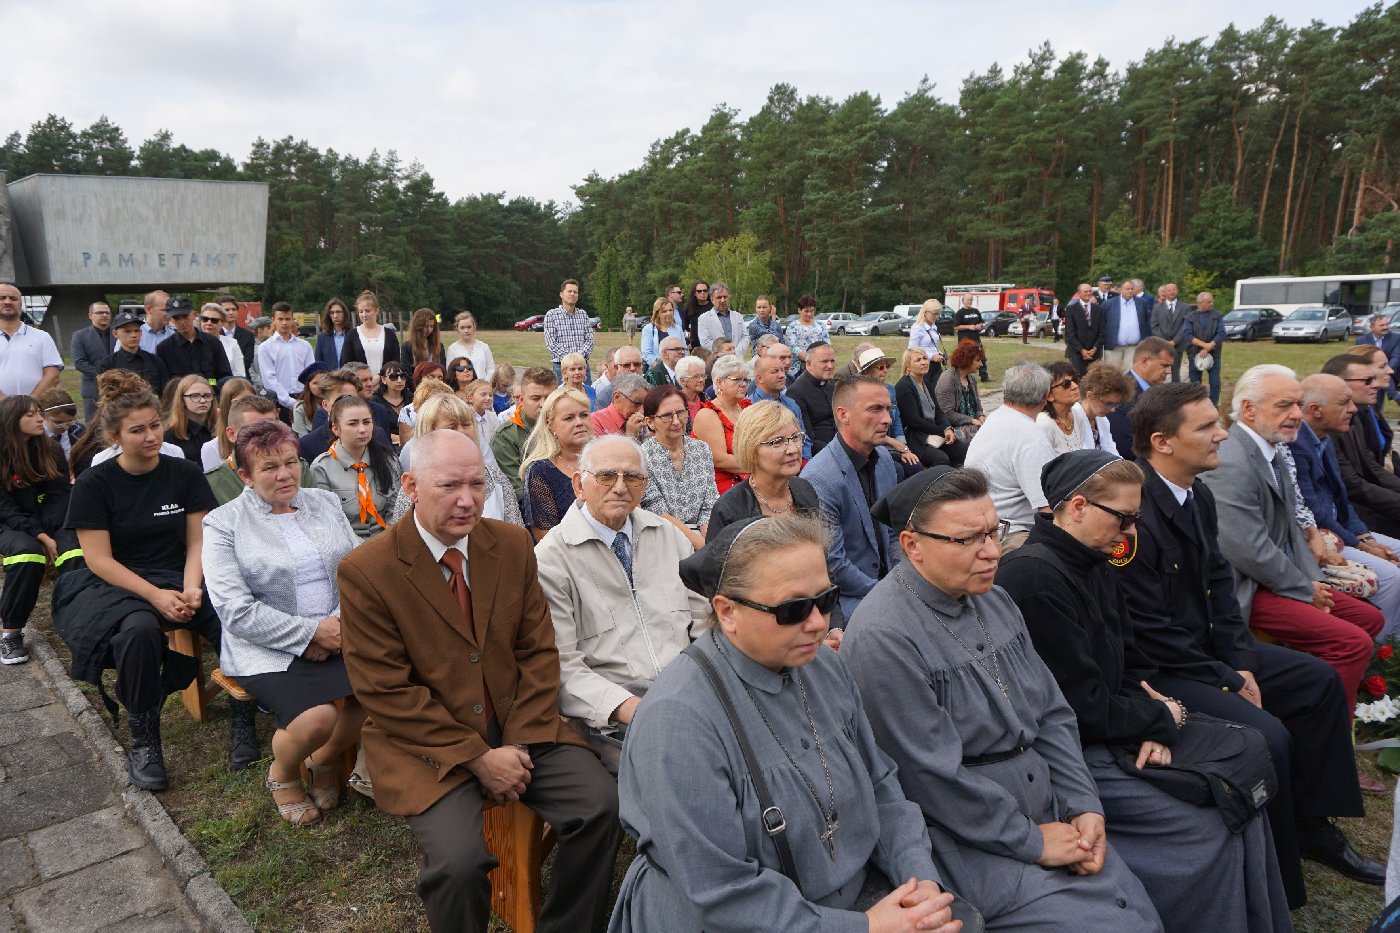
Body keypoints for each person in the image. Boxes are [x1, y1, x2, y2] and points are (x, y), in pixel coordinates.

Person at [610, 513, 971, 933]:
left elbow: (881, 785)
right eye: (793, 609)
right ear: (726, 611)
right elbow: (720, 890)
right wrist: (864, 928)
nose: (818, 623)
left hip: (862, 900)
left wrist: (917, 879)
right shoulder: (679, 721)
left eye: (826, 600)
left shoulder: (824, 668)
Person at [843, 467, 1163, 931]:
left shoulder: (995, 599)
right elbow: (931, 777)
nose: (993, 551)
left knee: (1140, 909)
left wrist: (1083, 803)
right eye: (968, 539)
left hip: (1051, 810)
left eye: (994, 532)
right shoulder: (883, 637)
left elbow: (1053, 714)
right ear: (912, 545)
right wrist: (1031, 840)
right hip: (971, 845)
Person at [996, 450, 1293, 932]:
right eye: (1125, 518)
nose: (1132, 532)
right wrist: (1160, 718)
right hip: (1073, 754)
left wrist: (1151, 720)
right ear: (1078, 507)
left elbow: (1132, 660)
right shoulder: (1033, 578)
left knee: (1243, 773)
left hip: (1121, 727)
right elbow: (1075, 708)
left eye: (1136, 518)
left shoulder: (1093, 560)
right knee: (1210, 822)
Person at [339, 430, 620, 931]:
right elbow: (386, 691)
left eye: (477, 484)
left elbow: (538, 651)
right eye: (449, 486)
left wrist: (518, 742)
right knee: (459, 864)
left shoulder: (511, 545)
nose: (467, 500)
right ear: (411, 486)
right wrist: (478, 758)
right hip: (428, 746)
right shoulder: (368, 570)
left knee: (602, 806)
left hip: (520, 724)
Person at [1117, 381, 1383, 903]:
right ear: (1162, 442)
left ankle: (1312, 823)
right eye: (1206, 427)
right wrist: (1227, 675)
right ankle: (1279, 873)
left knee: (1317, 681)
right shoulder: (1134, 512)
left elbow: (1219, 586)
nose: (1221, 434)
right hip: (1161, 671)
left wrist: (1240, 662)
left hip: (1207, 654)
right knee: (1268, 735)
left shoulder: (1197, 494)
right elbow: (1146, 628)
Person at [53, 376, 221, 791]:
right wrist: (156, 596)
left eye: (155, 425)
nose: (151, 436)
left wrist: (192, 588)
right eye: (137, 430)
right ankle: (145, 740)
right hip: (117, 581)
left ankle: (246, 714)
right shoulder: (95, 483)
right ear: (115, 437)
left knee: (231, 612)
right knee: (139, 632)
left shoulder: (184, 472)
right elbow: (99, 560)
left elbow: (198, 541)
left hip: (180, 572)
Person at [203, 419, 365, 826]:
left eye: (291, 463)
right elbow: (235, 610)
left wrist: (334, 626)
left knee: (382, 694)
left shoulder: (323, 502)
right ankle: (283, 773)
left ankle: (322, 759)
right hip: (265, 645)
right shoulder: (223, 523)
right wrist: (310, 634)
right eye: (269, 467)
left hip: (339, 631)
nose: (284, 474)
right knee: (317, 718)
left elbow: (358, 571)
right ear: (244, 475)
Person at [1203, 364, 1383, 713]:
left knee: (1369, 619)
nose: (1297, 415)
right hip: (1248, 587)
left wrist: (1315, 582)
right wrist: (1304, 589)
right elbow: (1248, 550)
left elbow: (1292, 530)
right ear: (1249, 409)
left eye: (1298, 404)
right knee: (1352, 642)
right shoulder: (1232, 461)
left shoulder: (1272, 448)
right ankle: (1330, 723)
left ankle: (1316, 702)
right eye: (1284, 405)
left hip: (1279, 577)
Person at [535, 434, 708, 769]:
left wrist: (704, 685)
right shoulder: (551, 560)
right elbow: (562, 667)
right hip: (611, 720)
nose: (619, 487)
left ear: (645, 486)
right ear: (579, 485)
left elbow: (703, 622)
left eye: (632, 477)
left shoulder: (669, 536)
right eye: (606, 476)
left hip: (689, 695)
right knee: (682, 765)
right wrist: (632, 708)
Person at [1291, 374, 1400, 638]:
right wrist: (1362, 545)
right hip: (1320, 540)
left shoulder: (1324, 439)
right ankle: (1381, 652)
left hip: (1342, 532)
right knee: (1390, 577)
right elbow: (1315, 512)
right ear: (1316, 410)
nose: (1353, 409)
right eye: (1344, 403)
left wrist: (1365, 537)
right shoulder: (1295, 444)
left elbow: (1341, 499)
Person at [800, 375, 900, 620]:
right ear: (843, 415)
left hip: (889, 585)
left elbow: (893, 532)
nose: (887, 419)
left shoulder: (884, 460)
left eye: (888, 409)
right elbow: (833, 564)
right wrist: (889, 592)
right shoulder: (820, 478)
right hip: (849, 598)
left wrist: (904, 580)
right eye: (875, 409)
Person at [0, 395, 82, 665]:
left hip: (47, 520)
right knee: (26, 555)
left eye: (39, 413)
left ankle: (82, 627)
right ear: (12, 421)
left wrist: (48, 530)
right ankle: (11, 633)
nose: (40, 419)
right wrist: (40, 535)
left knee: (74, 553)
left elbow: (60, 496)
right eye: (31, 415)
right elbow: (5, 509)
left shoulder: (51, 450)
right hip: (10, 523)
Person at [393, 393, 523, 527]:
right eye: (452, 427)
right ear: (429, 433)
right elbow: (403, 535)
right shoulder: (415, 485)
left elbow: (515, 531)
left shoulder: (496, 478)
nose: (462, 432)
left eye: (466, 425)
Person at [964, 362, 1056, 549]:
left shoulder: (997, 417)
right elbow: (1048, 507)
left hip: (982, 527)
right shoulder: (1030, 437)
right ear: (1045, 397)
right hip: (1011, 535)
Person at [1328, 351, 1400, 537]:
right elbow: (1352, 485)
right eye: (1367, 380)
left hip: (1367, 505)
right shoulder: (1328, 428)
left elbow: (1371, 467)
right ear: (1339, 383)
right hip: (1353, 517)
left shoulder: (1357, 416)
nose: (1375, 384)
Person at [311, 395, 401, 539]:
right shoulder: (321, 468)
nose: (362, 429)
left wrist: (385, 544)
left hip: (387, 539)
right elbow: (330, 523)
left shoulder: (388, 460)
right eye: (353, 424)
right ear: (336, 429)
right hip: (347, 544)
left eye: (367, 422)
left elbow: (395, 511)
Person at [640, 386, 717, 549]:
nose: (676, 421)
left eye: (681, 413)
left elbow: (709, 502)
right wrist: (701, 546)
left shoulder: (701, 449)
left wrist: (711, 541)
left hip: (704, 534)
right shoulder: (642, 457)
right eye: (667, 416)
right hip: (664, 538)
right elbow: (657, 510)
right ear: (650, 422)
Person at [204, 395, 316, 505]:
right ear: (231, 434)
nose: (265, 437)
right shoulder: (214, 482)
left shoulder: (298, 467)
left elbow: (313, 508)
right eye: (253, 432)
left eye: (272, 430)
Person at [522, 387, 593, 537]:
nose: (579, 422)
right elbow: (545, 537)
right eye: (569, 418)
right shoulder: (541, 471)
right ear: (550, 425)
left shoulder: (607, 459)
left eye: (584, 415)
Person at [1104, 336, 1175, 460]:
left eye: (1170, 366)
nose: (1169, 371)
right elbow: (1126, 448)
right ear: (1144, 361)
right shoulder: (1122, 395)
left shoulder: (1158, 391)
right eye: (1164, 365)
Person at [691, 354, 752, 496]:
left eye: (745, 380)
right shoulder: (708, 414)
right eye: (737, 379)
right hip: (722, 487)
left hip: (751, 479)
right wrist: (763, 464)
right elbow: (720, 460)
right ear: (719, 383)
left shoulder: (747, 409)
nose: (743, 384)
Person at [895, 348, 965, 468]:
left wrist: (947, 429)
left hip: (932, 431)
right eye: (918, 360)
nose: (924, 362)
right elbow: (914, 421)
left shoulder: (927, 383)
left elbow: (938, 411)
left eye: (925, 358)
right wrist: (941, 431)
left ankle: (956, 478)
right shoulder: (904, 387)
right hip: (915, 437)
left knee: (961, 449)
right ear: (908, 367)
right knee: (941, 459)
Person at [492, 367, 558, 493]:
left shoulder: (564, 426)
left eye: (549, 398)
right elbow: (517, 490)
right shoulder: (506, 437)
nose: (543, 404)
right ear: (521, 400)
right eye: (535, 398)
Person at [154, 295, 232, 389]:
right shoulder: (164, 349)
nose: (182, 322)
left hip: (211, 394)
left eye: (185, 316)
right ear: (170, 319)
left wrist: (210, 385)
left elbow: (224, 376)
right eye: (176, 318)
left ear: (194, 315)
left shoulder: (212, 342)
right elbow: (164, 384)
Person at [0, 283, 62, 399]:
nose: (7, 302)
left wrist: (31, 403)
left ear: (21, 304)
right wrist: (6, 404)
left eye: (13, 298)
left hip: (36, 407)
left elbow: (53, 376)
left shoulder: (42, 337)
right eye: (2, 298)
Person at [257, 303, 316, 422]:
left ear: (293, 320)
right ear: (273, 320)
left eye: (288, 319)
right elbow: (269, 379)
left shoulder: (305, 346)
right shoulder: (265, 347)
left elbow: (312, 374)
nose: (284, 323)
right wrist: (290, 402)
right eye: (280, 319)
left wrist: (308, 399)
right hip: (280, 402)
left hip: (304, 399)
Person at [745, 349, 809, 459]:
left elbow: (803, 438)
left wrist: (805, 463)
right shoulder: (749, 407)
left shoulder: (791, 404)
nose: (782, 375)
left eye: (782, 370)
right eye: (775, 372)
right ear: (760, 378)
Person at [787, 341, 838, 454]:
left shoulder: (831, 385)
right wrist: (837, 452)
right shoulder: (796, 392)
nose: (830, 366)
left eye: (832, 361)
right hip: (821, 454)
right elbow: (806, 437)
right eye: (824, 361)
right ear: (809, 364)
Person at [99, 309, 168, 392]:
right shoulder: (108, 364)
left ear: (141, 333)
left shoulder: (155, 361)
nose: (133, 335)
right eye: (127, 331)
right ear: (115, 334)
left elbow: (165, 392)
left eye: (136, 331)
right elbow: (104, 395)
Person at [934, 340, 986, 444]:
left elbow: (978, 406)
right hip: (954, 429)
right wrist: (971, 420)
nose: (981, 364)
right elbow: (946, 414)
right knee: (983, 437)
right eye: (977, 360)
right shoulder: (948, 379)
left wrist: (980, 416)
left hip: (973, 426)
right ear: (967, 359)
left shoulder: (972, 380)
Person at [544, 279, 595, 382]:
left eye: (575, 292)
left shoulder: (583, 314)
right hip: (561, 367)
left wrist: (578, 357)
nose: (572, 294)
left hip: (582, 366)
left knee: (586, 392)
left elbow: (590, 340)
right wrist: (570, 359)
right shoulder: (552, 315)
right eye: (569, 291)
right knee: (563, 393)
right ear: (561, 294)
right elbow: (551, 343)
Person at [71, 300, 114, 420]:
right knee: (94, 426)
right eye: (100, 312)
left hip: (118, 390)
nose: (104, 315)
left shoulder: (118, 334)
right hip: (93, 390)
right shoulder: (80, 336)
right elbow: (79, 362)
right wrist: (104, 377)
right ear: (90, 315)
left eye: (107, 313)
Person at [1074, 362, 1128, 455]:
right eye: (1108, 404)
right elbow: (1084, 457)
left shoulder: (1103, 420)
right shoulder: (1072, 420)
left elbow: (1112, 452)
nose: (1112, 410)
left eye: (1115, 404)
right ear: (1090, 395)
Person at [343, 290, 400, 377]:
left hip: (386, 383)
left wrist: (380, 377)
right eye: (361, 311)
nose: (364, 315)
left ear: (376, 311)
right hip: (360, 384)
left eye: (367, 311)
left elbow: (396, 362)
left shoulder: (389, 334)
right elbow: (347, 365)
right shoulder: (352, 335)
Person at [1183, 292, 1225, 405]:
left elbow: (1221, 333)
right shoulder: (1189, 317)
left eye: (1212, 301)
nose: (1212, 304)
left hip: (1214, 353)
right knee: (1195, 383)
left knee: (1215, 382)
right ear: (1200, 303)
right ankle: (1197, 404)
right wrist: (1203, 345)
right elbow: (1188, 335)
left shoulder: (1217, 316)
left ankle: (1214, 404)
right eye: (1209, 302)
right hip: (1194, 353)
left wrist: (1208, 347)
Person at [163, 374, 217, 462]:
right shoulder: (170, 435)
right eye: (195, 396)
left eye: (207, 395)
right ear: (182, 399)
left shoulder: (219, 428)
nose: (202, 400)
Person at [1037, 362, 1086, 455]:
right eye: (1066, 384)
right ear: (1049, 395)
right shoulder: (1044, 423)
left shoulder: (1077, 414)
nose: (1075, 386)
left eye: (1075, 380)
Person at [1102, 278, 1151, 370]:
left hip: (1134, 348)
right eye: (1127, 289)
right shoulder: (1109, 304)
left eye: (1132, 289)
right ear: (1121, 289)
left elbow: (1146, 321)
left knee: (1131, 373)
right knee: (1113, 373)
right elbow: (1102, 323)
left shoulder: (1142, 303)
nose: (1130, 291)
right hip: (1114, 348)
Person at [1357, 313, 1400, 412]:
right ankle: (1395, 397)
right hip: (1369, 373)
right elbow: (1359, 360)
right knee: (1376, 379)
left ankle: (1377, 413)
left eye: (1387, 324)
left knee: (1380, 378)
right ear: (1372, 327)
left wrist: (1384, 370)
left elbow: (1396, 357)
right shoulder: (1361, 340)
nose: (1386, 327)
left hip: (1392, 372)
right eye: (1382, 325)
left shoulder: (1397, 338)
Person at [590, 371, 649, 441]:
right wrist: (630, 437)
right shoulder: (595, 422)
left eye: (646, 404)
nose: (642, 411)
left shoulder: (646, 420)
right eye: (636, 403)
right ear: (617, 397)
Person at [696, 282, 750, 359]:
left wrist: (735, 352)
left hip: (737, 359)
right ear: (712, 299)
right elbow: (705, 342)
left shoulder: (738, 316)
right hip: (716, 360)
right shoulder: (703, 318)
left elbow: (745, 337)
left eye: (725, 297)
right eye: (719, 297)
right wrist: (724, 353)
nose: (722, 300)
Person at [1063, 283, 1107, 377]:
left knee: (1094, 380)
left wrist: (1095, 348)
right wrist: (1082, 350)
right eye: (1085, 291)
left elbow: (1102, 332)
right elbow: (1070, 333)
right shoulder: (1071, 309)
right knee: (1078, 379)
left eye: (1090, 291)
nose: (1088, 293)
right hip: (1077, 353)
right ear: (1079, 293)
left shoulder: (1099, 310)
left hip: (1095, 353)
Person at [1149, 283, 1189, 383]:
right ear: (1165, 292)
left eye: (1173, 290)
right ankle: (1160, 391)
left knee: (1176, 372)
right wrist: (1164, 342)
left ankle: (1176, 391)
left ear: (1177, 291)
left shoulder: (1185, 307)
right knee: (1160, 371)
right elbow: (1154, 326)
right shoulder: (1157, 308)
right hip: (1161, 346)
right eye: (1169, 290)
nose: (1172, 292)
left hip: (1177, 345)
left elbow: (1185, 325)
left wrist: (1175, 341)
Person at [783, 295, 829, 377]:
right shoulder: (793, 326)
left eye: (812, 311)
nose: (809, 314)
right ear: (799, 310)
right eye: (806, 311)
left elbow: (827, 344)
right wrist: (810, 359)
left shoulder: (821, 326)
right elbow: (792, 347)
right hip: (799, 369)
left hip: (820, 366)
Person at [199, 302, 247, 378]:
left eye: (214, 320)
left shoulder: (232, 343)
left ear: (222, 323)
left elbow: (239, 374)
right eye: (205, 319)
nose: (209, 323)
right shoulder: (192, 342)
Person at [444, 311, 495, 381]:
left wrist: (485, 383)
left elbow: (491, 369)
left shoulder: (484, 347)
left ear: (474, 327)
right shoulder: (452, 349)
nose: (466, 330)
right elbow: (450, 371)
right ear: (457, 329)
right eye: (462, 328)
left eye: (469, 327)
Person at [215, 294, 257, 376]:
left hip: (241, 378)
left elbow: (247, 362)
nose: (231, 312)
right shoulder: (214, 334)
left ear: (237, 312)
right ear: (219, 313)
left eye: (233, 309)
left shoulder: (248, 335)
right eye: (227, 310)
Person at [38, 388, 83, 464]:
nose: (66, 427)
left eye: (70, 421)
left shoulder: (79, 431)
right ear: (42, 415)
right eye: (58, 422)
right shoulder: (34, 437)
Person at [906, 299, 947, 382]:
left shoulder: (934, 327)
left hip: (936, 365)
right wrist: (931, 357)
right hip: (923, 365)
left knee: (938, 388)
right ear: (925, 312)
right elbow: (912, 349)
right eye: (934, 314)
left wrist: (940, 353)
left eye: (938, 314)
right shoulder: (917, 328)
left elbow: (931, 346)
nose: (936, 317)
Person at [950, 296, 989, 382]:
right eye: (967, 300)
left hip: (976, 339)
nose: (969, 301)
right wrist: (968, 327)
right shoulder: (959, 313)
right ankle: (962, 376)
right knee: (965, 358)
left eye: (971, 300)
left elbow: (981, 322)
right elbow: (956, 327)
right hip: (965, 340)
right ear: (963, 301)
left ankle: (984, 376)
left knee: (981, 356)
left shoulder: (976, 311)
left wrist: (979, 325)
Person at [641, 297, 686, 367]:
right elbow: (646, 353)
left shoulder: (678, 329)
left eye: (670, 310)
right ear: (657, 313)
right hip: (657, 368)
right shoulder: (648, 329)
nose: (669, 313)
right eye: (664, 311)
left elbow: (684, 350)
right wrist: (659, 368)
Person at [314, 297, 354, 370]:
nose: (335, 316)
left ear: (344, 313)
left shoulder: (353, 335)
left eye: (338, 312)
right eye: (332, 313)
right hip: (329, 376)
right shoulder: (322, 338)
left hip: (349, 375)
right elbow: (318, 363)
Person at [291, 364, 329, 437]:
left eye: (324, 381)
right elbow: (302, 438)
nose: (321, 386)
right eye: (315, 383)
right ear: (308, 386)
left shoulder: (338, 402)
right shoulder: (300, 408)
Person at [680, 281, 712, 351]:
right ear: (694, 293)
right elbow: (684, 328)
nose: (702, 293)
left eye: (705, 290)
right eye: (699, 291)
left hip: (711, 345)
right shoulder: (688, 308)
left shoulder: (713, 307)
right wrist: (688, 341)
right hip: (695, 346)